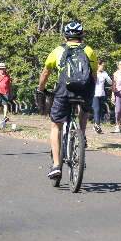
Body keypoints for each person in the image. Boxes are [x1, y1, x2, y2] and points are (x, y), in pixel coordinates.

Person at [37, 21, 98, 179]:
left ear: (65, 35)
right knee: (84, 110)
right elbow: (94, 76)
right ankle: (82, 135)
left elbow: (45, 73)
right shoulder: (89, 50)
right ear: (81, 35)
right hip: (84, 91)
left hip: (64, 91)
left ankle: (56, 165)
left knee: (55, 126)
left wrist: (41, 89)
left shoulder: (57, 50)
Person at [92, 59, 112, 134]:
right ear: (98, 65)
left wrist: (107, 77)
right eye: (102, 65)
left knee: (100, 111)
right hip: (94, 94)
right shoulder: (93, 73)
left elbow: (110, 82)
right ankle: (97, 126)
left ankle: (96, 125)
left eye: (104, 66)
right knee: (96, 110)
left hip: (102, 94)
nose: (103, 67)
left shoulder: (104, 73)